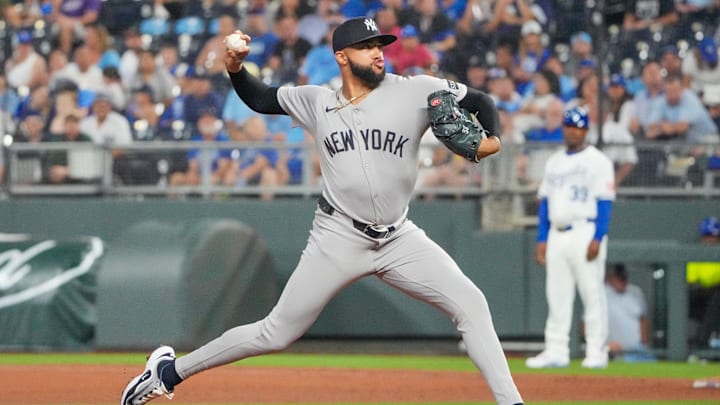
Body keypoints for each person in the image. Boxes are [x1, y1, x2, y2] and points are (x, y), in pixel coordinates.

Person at [120, 16, 524, 405]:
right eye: (366, 47)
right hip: (338, 236)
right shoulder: (316, 101)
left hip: (399, 237)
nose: (378, 53)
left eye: (379, 46)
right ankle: (168, 373)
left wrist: (494, 142)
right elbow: (261, 97)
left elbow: (482, 101)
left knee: (471, 304)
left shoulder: (417, 89)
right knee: (275, 333)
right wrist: (235, 67)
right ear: (342, 56)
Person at [525, 106, 615, 370]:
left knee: (592, 293)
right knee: (557, 295)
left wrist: (599, 236)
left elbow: (605, 202)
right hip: (557, 232)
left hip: (585, 229)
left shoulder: (598, 160)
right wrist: (541, 239)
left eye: (577, 126)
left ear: (585, 130)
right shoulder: (555, 161)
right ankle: (556, 350)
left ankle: (597, 351)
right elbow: (544, 203)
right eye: (568, 126)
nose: (572, 131)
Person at [604, 263, 656, 362]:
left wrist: (644, 343)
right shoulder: (601, 293)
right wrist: (605, 345)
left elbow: (643, 319)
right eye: (618, 277)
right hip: (614, 352)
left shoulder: (635, 291)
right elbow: (586, 326)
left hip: (638, 350)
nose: (622, 280)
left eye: (624, 276)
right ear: (610, 277)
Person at [687, 216, 720, 350]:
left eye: (713, 235)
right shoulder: (695, 254)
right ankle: (703, 343)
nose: (710, 239)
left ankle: (702, 343)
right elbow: (691, 281)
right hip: (699, 298)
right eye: (707, 235)